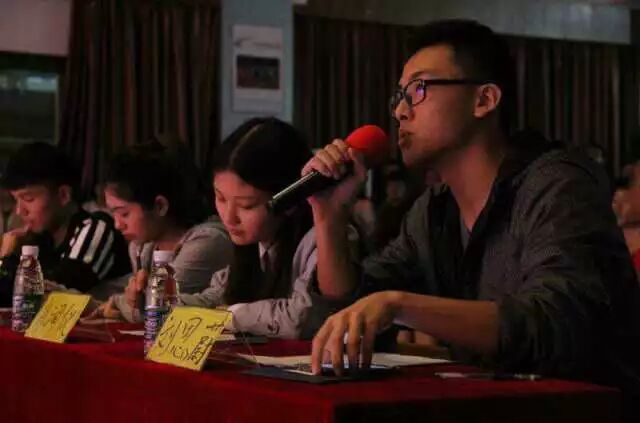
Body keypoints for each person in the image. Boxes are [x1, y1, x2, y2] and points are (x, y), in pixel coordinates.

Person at [303, 19, 640, 419]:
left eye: (419, 89)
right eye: (399, 96)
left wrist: (397, 304)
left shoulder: (558, 185)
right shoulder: (433, 212)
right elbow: (346, 313)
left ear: (484, 99)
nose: (399, 111)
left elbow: (554, 324)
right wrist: (329, 216)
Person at [101, 117, 356, 339]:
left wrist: (231, 316)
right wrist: (153, 303)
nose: (229, 217)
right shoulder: (255, 244)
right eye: (220, 198)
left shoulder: (324, 238)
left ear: (289, 201)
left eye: (246, 206)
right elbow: (214, 300)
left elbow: (305, 315)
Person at [88, 139, 233, 304]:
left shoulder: (207, 242)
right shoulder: (141, 247)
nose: (118, 224)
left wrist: (116, 304)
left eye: (124, 214)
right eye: (113, 213)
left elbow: (155, 303)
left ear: (160, 206)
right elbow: (133, 298)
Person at [0, 142, 131, 306]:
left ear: (63, 195)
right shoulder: (38, 239)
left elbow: (54, 293)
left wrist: (6, 258)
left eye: (28, 199)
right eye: (16, 200)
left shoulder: (96, 228)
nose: (20, 211)